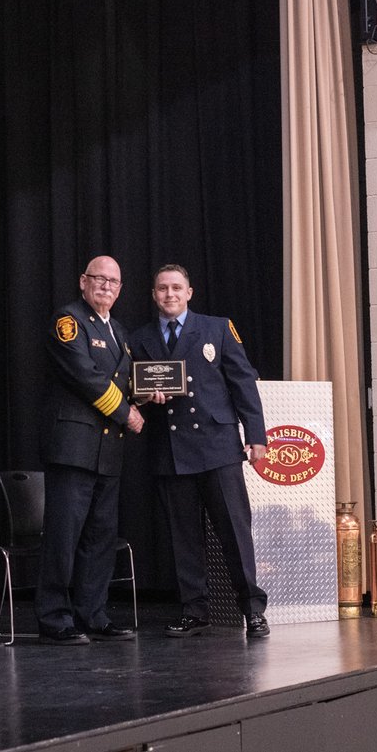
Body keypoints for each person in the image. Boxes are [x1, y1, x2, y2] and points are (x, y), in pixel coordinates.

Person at [129, 264, 270, 639]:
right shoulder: (139, 338)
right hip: (171, 450)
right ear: (153, 295)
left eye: (176, 288)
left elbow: (243, 382)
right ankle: (195, 611)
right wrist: (143, 396)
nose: (170, 294)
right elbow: (132, 391)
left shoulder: (217, 328)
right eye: (162, 288)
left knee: (235, 533)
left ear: (189, 293)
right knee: (184, 539)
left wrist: (256, 434)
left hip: (218, 446)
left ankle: (253, 610)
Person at [34, 256, 143, 645]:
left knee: (100, 538)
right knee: (63, 537)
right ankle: (54, 617)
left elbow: (127, 383)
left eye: (114, 282)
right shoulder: (68, 320)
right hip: (73, 448)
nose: (106, 286)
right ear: (83, 281)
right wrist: (126, 412)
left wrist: (147, 396)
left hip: (108, 450)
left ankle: (92, 614)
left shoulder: (119, 331)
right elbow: (85, 376)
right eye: (99, 278)